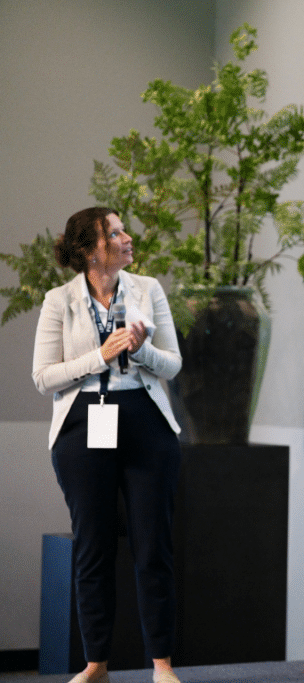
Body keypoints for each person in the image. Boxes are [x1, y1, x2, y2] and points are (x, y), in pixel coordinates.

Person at [32, 208, 184, 683]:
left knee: (152, 546)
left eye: (122, 230)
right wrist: (101, 355)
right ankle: (96, 663)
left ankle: (162, 664)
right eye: (114, 233)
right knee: (93, 548)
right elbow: (43, 377)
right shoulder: (60, 300)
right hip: (83, 425)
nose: (126, 237)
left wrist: (138, 350)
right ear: (89, 250)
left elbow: (173, 365)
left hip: (145, 421)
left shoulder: (148, 289)